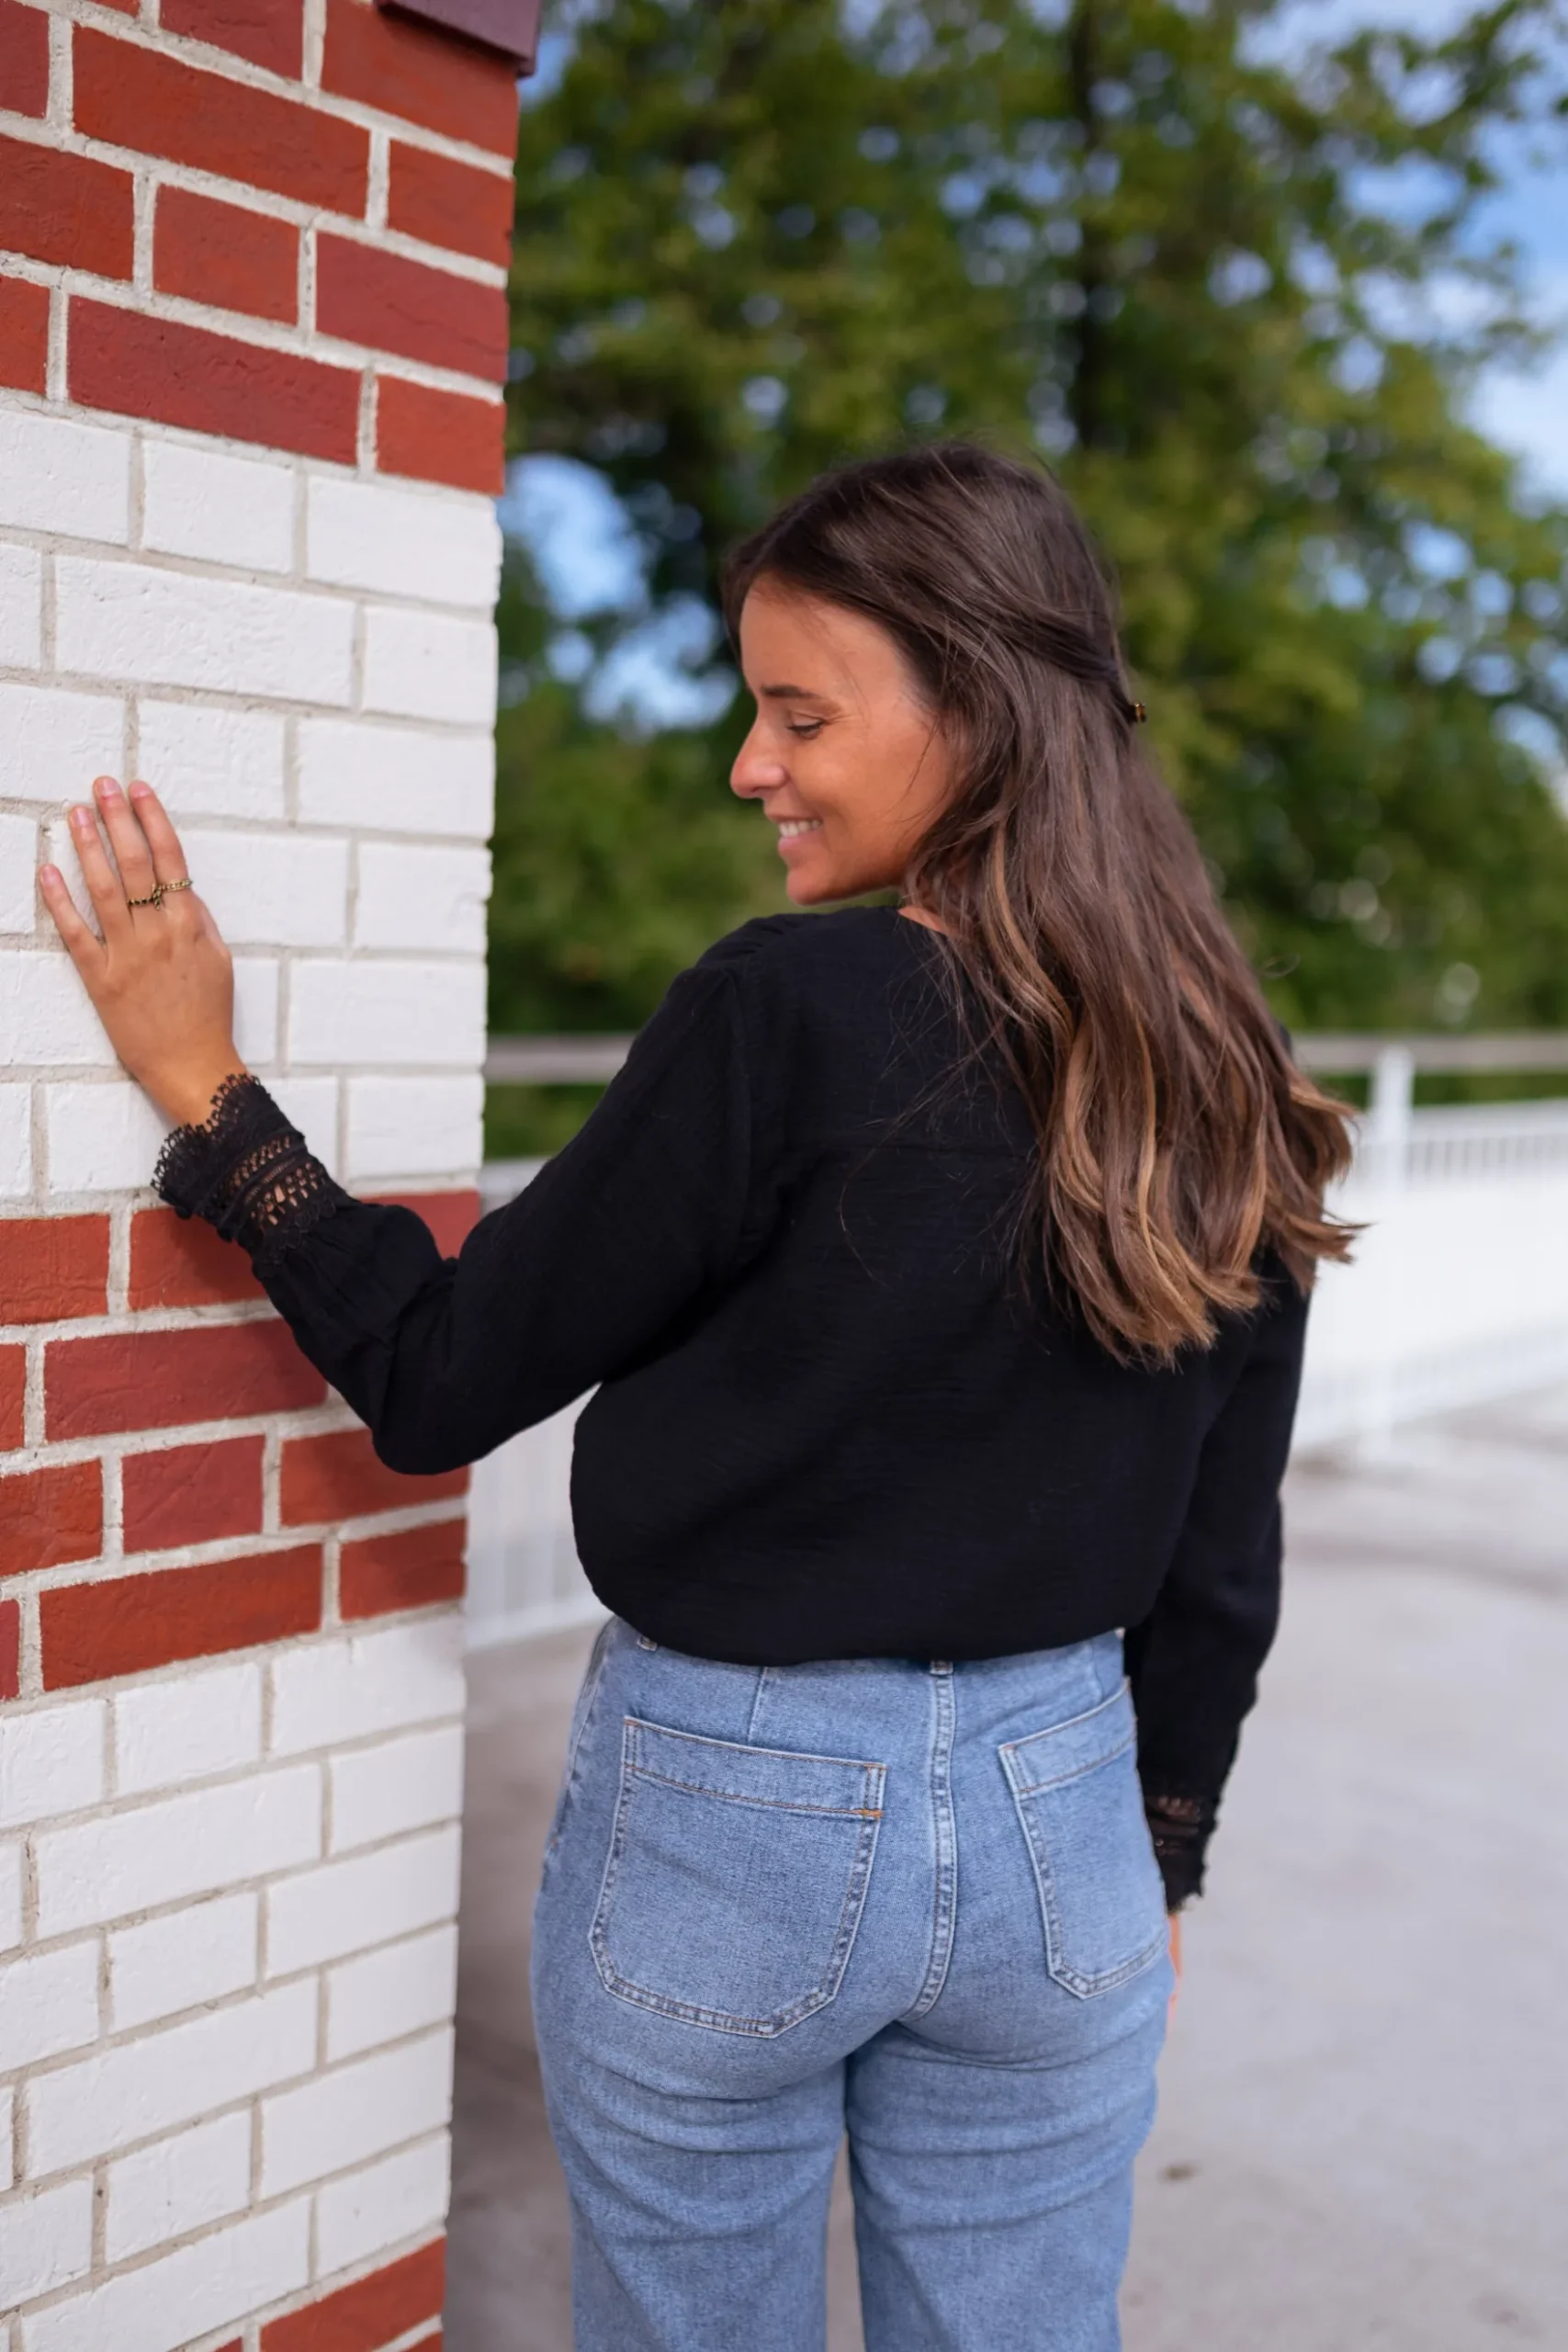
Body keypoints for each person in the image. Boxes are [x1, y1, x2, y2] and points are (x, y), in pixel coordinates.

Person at [41, 441, 1353, 2352]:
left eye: (798, 712)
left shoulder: (781, 1013)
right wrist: (1160, 1839)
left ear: (976, 710)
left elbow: (441, 1373)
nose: (751, 765)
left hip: (733, 1816)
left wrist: (216, 1106)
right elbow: (1225, 1544)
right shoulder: (1223, 1063)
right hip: (1065, 1816)